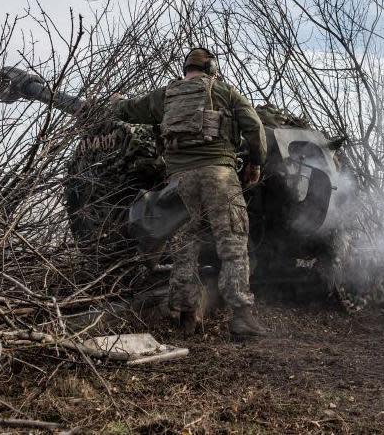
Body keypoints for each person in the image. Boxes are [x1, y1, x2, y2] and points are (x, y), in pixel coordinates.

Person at [111, 47, 268, 340]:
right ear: (212, 68)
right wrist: (255, 163)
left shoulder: (165, 95)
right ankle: (242, 318)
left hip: (179, 181)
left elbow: (128, 110)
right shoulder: (224, 91)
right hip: (219, 175)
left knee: (184, 248)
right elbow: (254, 126)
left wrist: (114, 103)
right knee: (232, 244)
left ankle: (185, 317)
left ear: (186, 69)